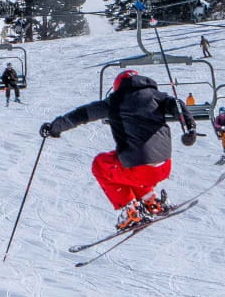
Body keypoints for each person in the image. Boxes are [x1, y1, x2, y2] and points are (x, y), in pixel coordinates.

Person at [40, 69, 197, 231]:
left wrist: (54, 127)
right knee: (120, 160)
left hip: (139, 170)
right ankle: (151, 200)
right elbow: (177, 104)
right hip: (164, 166)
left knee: (100, 164)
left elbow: (81, 115)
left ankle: (130, 211)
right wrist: (190, 128)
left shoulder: (115, 101)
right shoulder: (158, 96)